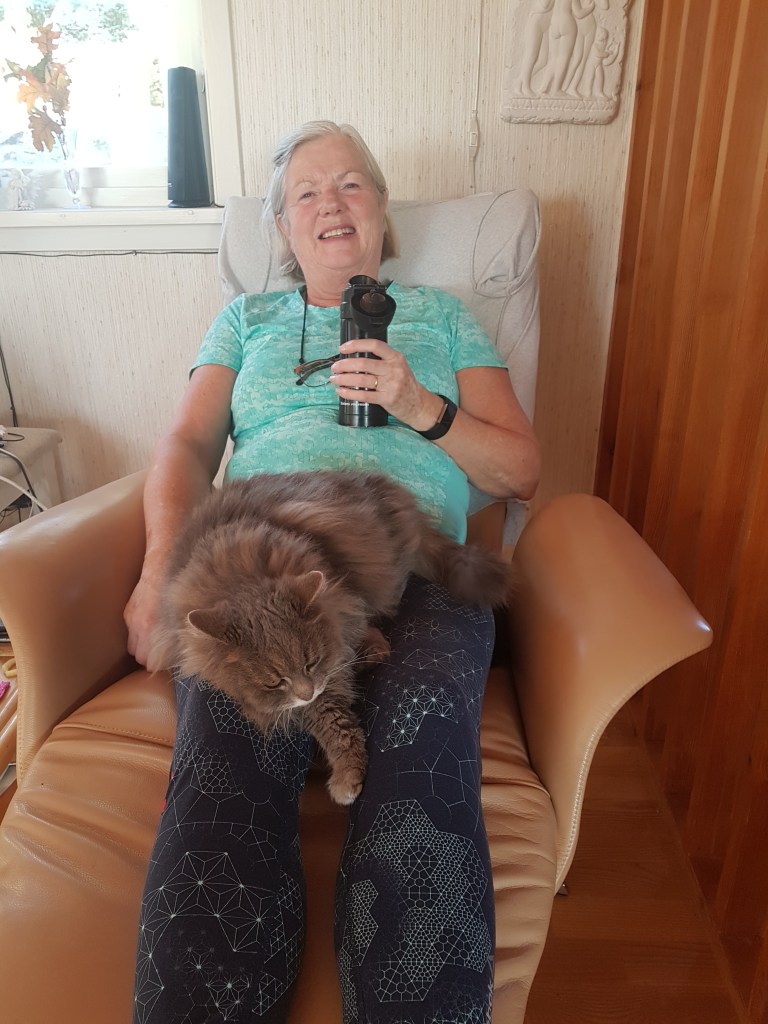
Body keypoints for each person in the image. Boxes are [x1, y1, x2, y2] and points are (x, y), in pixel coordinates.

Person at [126, 120, 540, 1024]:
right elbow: (185, 447)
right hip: (263, 572)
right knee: (225, 748)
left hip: (408, 563)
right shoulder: (248, 319)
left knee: (422, 733)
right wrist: (159, 570)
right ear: (283, 227)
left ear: (382, 208)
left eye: (351, 184)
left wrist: (419, 405)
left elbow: (520, 471)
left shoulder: (442, 318)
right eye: (306, 193)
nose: (331, 204)